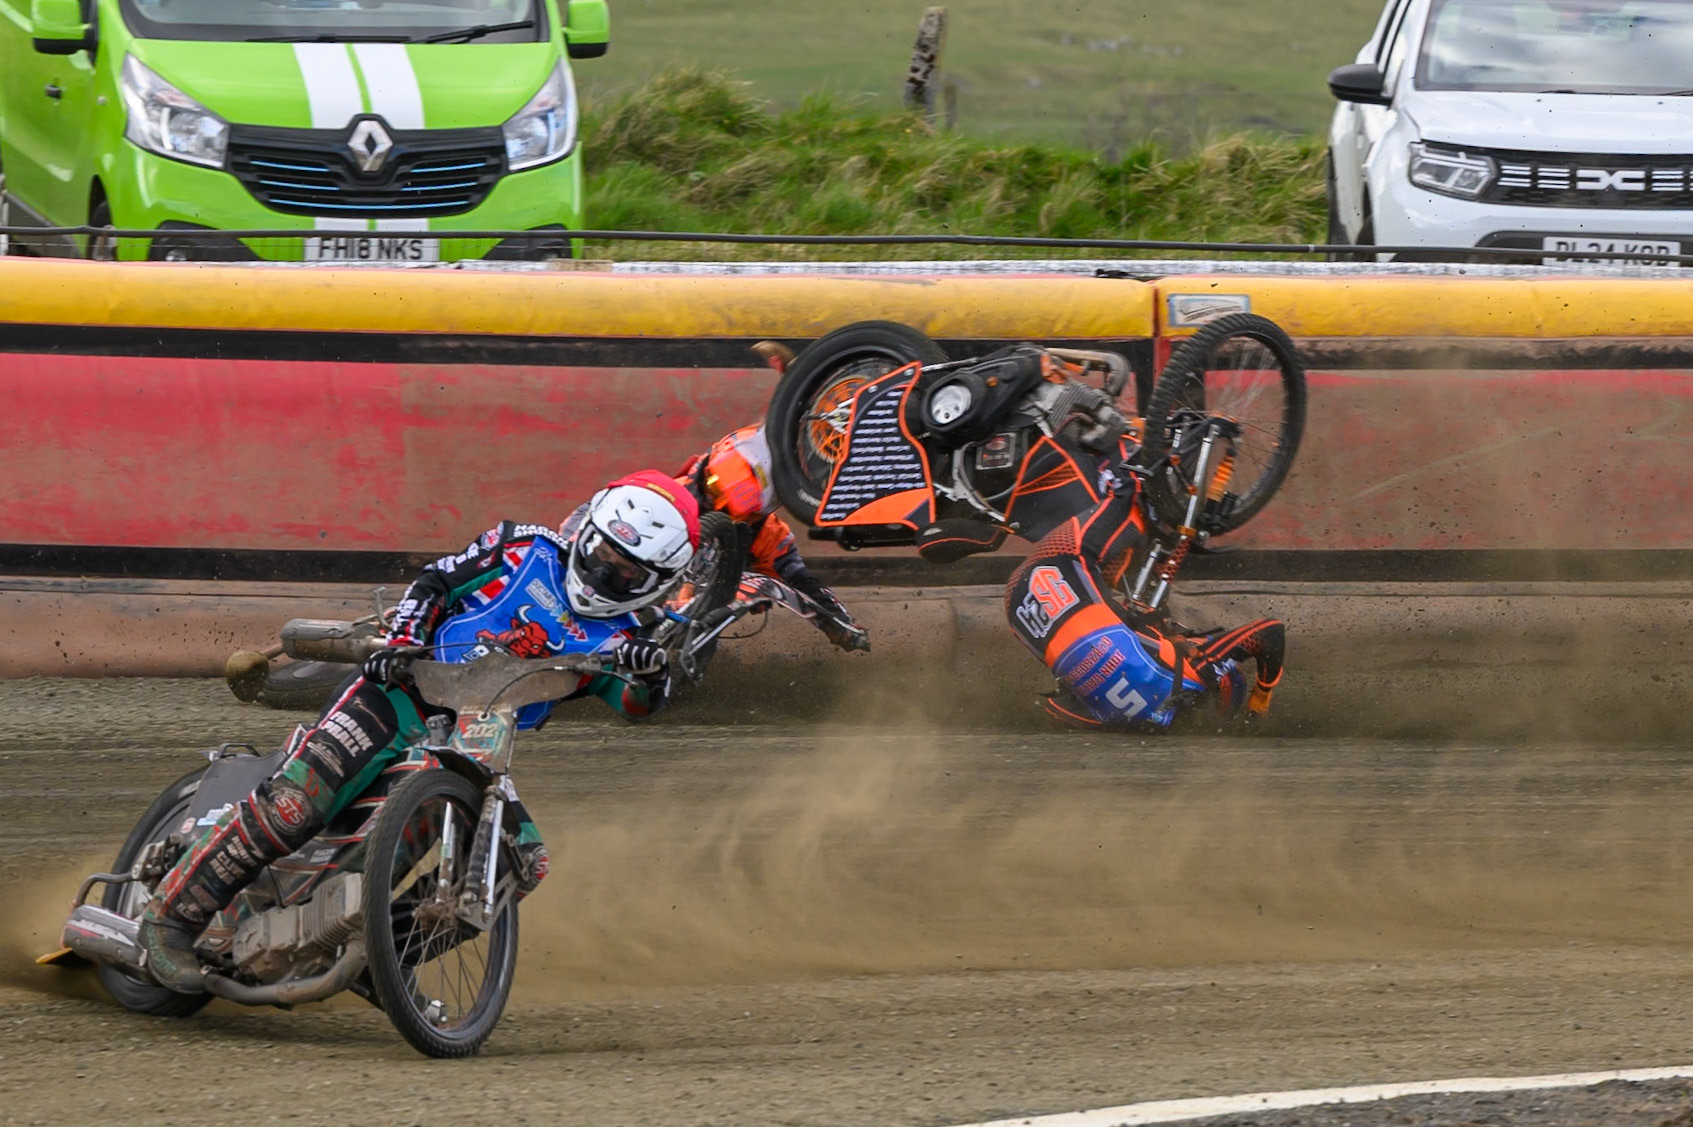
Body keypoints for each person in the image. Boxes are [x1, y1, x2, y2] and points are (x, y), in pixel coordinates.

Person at [136, 470, 700, 993]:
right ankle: (170, 923)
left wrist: (654, 674)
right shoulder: (522, 547)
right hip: (400, 693)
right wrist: (403, 640)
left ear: (657, 582)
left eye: (625, 570)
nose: (603, 570)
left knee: (521, 864)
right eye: (601, 551)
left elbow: (635, 705)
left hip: (474, 741)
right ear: (588, 527)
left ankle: (381, 957)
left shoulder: (629, 638)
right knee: (295, 805)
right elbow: (435, 581)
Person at [676, 422, 869, 652]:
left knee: (790, 567)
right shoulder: (773, 433)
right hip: (688, 508)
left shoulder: (805, 461)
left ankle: (840, 624)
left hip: (754, 528)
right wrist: (687, 587)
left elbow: (793, 570)